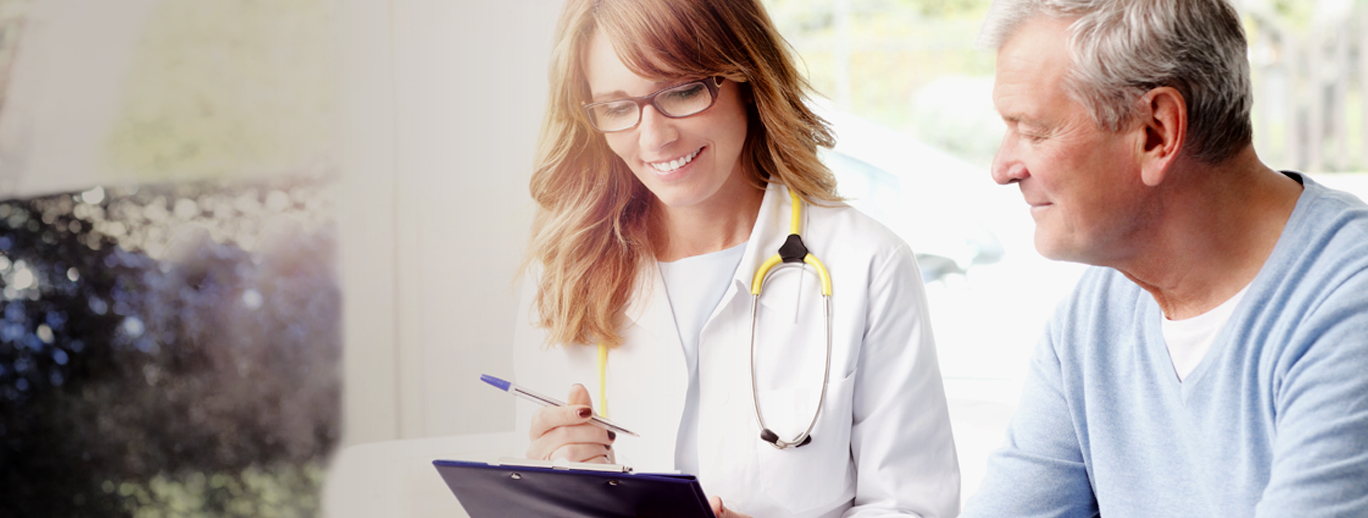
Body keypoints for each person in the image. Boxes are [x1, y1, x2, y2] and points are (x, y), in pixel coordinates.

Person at [510, 0, 960, 516]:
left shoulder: (867, 265)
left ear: (749, 76)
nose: (654, 137)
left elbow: (913, 507)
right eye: (616, 107)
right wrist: (550, 484)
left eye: (681, 91)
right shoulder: (562, 272)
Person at [962, 0, 1368, 516]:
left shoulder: (1347, 306)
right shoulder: (1092, 320)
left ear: (1157, 132)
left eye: (1034, 130)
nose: (1002, 167)